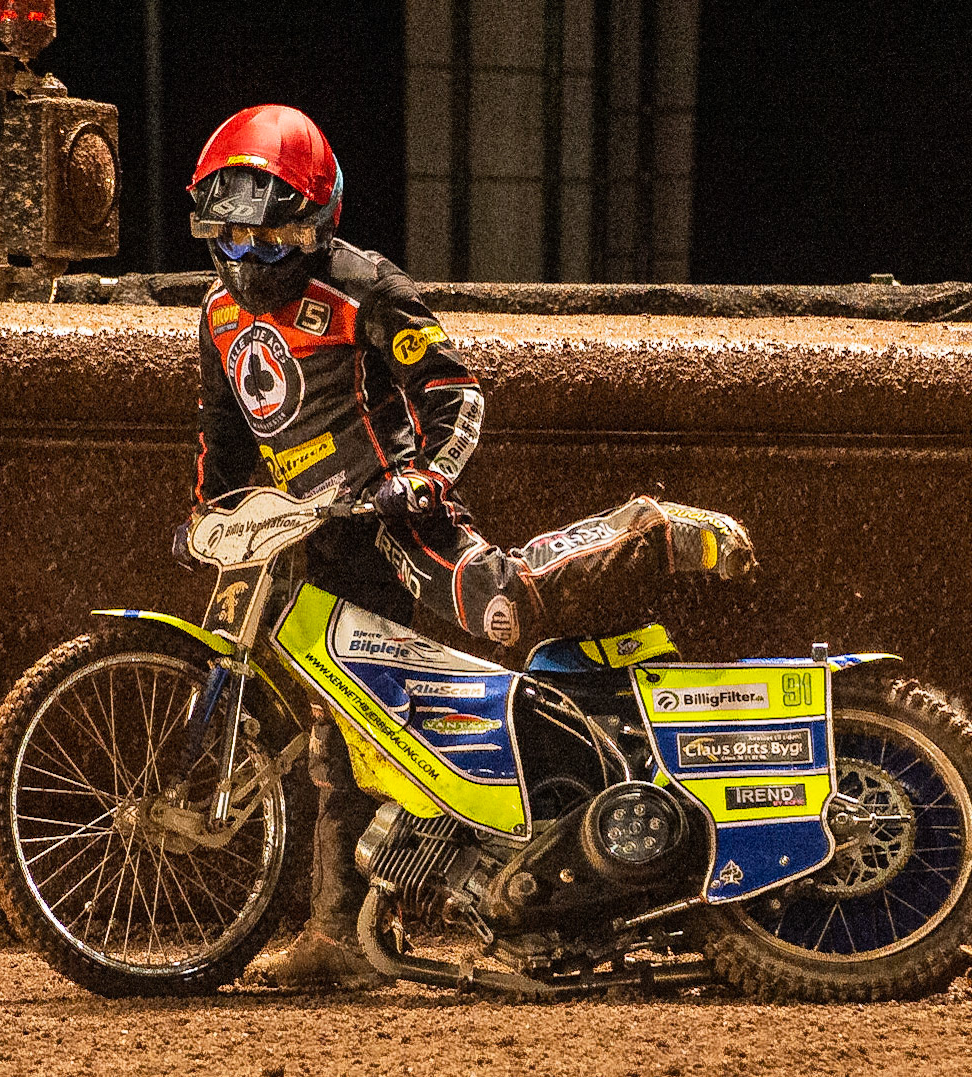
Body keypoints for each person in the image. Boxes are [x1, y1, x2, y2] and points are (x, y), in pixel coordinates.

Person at [183, 104, 752, 989]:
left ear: (315, 221)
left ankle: (645, 533)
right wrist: (210, 514)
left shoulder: (367, 289)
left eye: (269, 238)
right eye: (229, 237)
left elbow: (458, 395)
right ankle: (340, 940)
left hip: (395, 516)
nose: (247, 257)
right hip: (310, 537)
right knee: (340, 739)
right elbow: (223, 433)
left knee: (501, 607)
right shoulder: (217, 311)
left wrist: (423, 480)